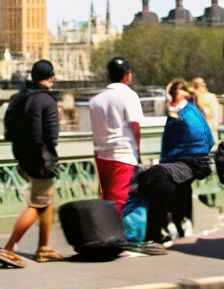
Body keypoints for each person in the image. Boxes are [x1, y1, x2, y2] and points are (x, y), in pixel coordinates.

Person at [0, 60, 63, 268]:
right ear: (51, 77)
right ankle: (8, 248)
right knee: (39, 202)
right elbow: (51, 135)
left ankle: (44, 248)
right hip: (41, 157)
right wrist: (49, 155)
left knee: (47, 199)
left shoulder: (19, 97)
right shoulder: (47, 100)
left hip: (22, 154)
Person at [148, 78, 214, 243]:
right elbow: (209, 138)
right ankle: (185, 221)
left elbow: (170, 141)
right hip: (199, 160)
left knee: (170, 187)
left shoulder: (176, 113)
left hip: (183, 160)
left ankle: (175, 224)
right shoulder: (194, 110)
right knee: (184, 189)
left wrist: (165, 161)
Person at [88, 56, 143, 213]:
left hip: (101, 155)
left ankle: (108, 230)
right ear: (126, 76)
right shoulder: (129, 95)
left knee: (107, 197)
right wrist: (138, 152)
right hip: (123, 154)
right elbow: (135, 127)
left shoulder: (95, 101)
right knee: (121, 200)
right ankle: (119, 233)